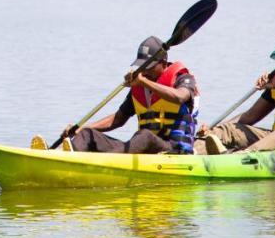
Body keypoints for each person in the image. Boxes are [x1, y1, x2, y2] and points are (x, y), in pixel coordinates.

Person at [56, 36, 200, 154]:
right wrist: (83, 128)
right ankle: (67, 159)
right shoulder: (140, 87)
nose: (144, 70)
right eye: (141, 66)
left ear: (163, 63)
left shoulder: (183, 78)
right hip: (144, 149)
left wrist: (143, 82)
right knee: (87, 134)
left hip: (174, 150)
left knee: (144, 136)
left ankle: (105, 163)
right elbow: (118, 119)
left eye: (147, 66)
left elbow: (180, 96)